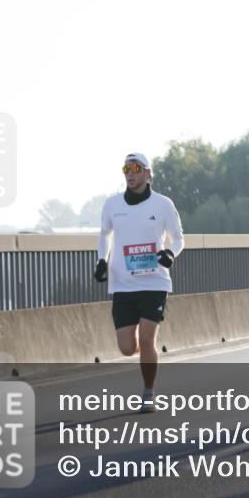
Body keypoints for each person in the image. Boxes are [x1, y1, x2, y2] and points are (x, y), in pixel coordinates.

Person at [95, 153, 184, 413]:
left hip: (154, 282)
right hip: (122, 283)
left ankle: (148, 393)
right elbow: (104, 234)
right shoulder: (112, 204)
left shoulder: (163, 204)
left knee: (147, 340)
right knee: (126, 348)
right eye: (126, 169)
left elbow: (178, 238)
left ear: (147, 173)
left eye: (135, 168)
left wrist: (170, 254)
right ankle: (147, 355)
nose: (130, 173)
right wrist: (101, 260)